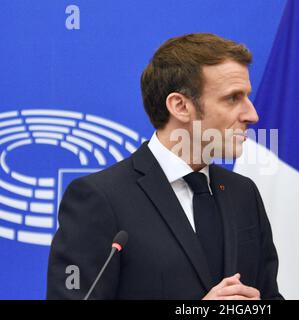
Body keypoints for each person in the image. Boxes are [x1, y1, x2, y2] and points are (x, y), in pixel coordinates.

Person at [46, 33, 283, 300]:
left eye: (247, 97)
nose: (252, 115)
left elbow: (270, 295)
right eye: (232, 98)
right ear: (180, 106)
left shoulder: (243, 193)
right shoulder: (99, 199)